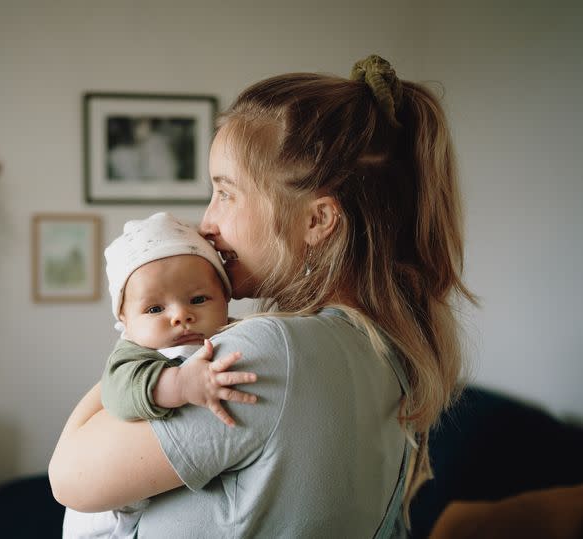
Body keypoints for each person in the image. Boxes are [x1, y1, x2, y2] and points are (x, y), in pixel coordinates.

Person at [49, 54, 476, 538]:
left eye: (225, 193)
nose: (207, 222)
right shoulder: (388, 352)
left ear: (317, 220)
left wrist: (138, 338)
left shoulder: (272, 352)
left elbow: (68, 476)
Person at [62, 211, 257, 539]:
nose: (181, 315)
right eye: (154, 309)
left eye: (198, 299)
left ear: (225, 298)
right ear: (125, 320)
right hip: (109, 518)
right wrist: (180, 384)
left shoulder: (235, 336)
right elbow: (119, 395)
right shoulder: (133, 354)